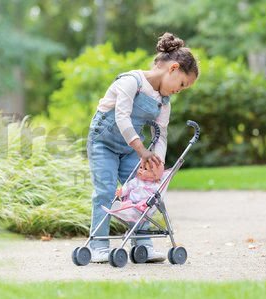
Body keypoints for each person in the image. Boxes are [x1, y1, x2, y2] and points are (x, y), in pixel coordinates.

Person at [86, 32, 199, 263]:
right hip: (103, 143)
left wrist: (156, 162)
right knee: (105, 191)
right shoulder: (131, 81)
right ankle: (99, 246)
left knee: (141, 192)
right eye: (181, 84)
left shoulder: (163, 102)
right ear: (173, 68)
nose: (180, 90)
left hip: (130, 149)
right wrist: (141, 151)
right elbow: (122, 116)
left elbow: (161, 135)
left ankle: (143, 246)